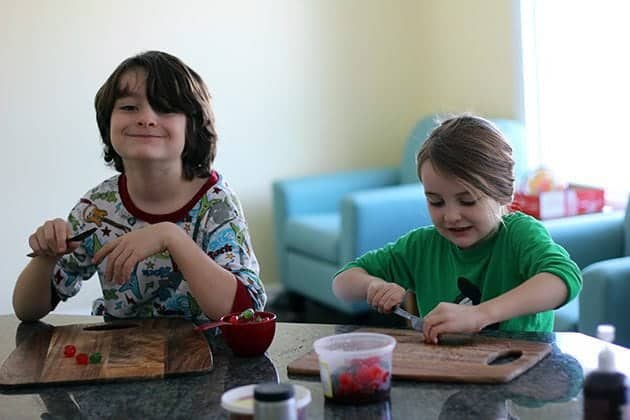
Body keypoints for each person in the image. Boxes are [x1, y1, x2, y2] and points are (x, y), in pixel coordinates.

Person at [13, 51, 266, 322]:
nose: (146, 118)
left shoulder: (215, 202)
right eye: (129, 107)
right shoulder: (98, 207)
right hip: (119, 357)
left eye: (165, 108)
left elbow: (245, 312)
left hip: (210, 358)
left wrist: (171, 236)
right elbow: (27, 311)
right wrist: (45, 257)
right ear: (107, 121)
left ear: (192, 126)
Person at [332, 114, 582, 343]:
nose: (451, 216)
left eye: (467, 200)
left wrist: (480, 314)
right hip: (447, 369)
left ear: (503, 193)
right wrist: (372, 285)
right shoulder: (420, 246)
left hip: (523, 373)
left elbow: (564, 278)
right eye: (436, 202)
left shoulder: (519, 234)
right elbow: (342, 283)